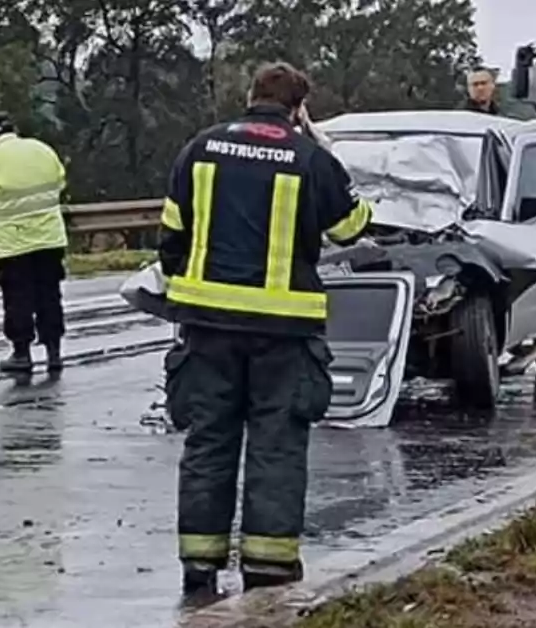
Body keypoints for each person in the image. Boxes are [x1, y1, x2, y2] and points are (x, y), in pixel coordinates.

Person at [159, 61, 373, 601]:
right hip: (282, 330)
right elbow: (351, 227)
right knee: (276, 445)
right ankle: (269, 567)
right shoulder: (310, 158)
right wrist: (327, 150)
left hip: (206, 325)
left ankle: (199, 565)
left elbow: (171, 238)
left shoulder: (199, 148)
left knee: (208, 441)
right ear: (298, 108)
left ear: (250, 95)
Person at [0, 112, 69, 373]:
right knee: (49, 294)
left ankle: (22, 354)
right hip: (49, 238)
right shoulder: (42, 149)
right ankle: (53, 352)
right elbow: (60, 181)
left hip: (13, 243)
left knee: (17, 298)